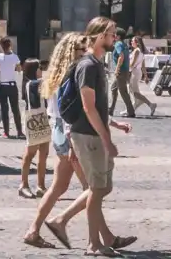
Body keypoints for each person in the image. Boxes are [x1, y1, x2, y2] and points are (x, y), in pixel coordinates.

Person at [47, 18, 132, 255]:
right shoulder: (88, 66)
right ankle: (93, 243)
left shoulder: (96, 64)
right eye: (112, 34)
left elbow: (99, 107)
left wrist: (112, 124)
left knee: (101, 188)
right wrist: (106, 138)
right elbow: (88, 107)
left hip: (91, 134)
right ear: (99, 36)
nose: (115, 38)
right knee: (96, 189)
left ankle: (62, 220)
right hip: (88, 136)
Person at [21, 33, 84, 248]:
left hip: (57, 129)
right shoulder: (72, 73)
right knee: (94, 189)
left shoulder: (53, 73)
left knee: (59, 187)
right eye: (82, 50)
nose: (86, 53)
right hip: (68, 131)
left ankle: (34, 230)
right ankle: (62, 222)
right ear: (72, 52)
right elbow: (70, 110)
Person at [0, 36, 25, 139]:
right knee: (15, 109)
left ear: (1, 46)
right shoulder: (15, 57)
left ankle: (6, 132)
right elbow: (19, 69)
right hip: (12, 85)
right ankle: (20, 132)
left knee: (4, 109)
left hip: (2, 86)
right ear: (10, 46)